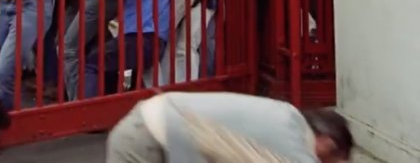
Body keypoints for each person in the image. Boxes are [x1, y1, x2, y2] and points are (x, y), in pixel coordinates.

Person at [105, 91, 353, 163]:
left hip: (151, 132)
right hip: (146, 138)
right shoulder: (291, 133)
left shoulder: (283, 123)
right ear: (328, 142)